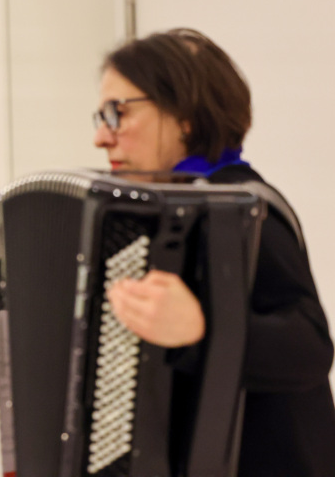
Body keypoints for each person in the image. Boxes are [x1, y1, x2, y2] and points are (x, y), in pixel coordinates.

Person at [97, 28, 335, 476]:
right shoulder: (158, 210)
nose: (102, 138)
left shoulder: (242, 205)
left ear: (185, 115)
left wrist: (201, 330)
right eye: (101, 118)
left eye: (118, 113)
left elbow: (308, 347)